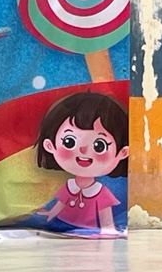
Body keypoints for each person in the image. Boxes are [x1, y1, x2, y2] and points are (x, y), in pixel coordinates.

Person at [34, 91, 130, 234]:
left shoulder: (101, 193)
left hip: (89, 232)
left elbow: (106, 219)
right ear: (49, 145)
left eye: (99, 145)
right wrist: (50, 214)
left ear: (123, 153)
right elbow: (61, 204)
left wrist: (108, 230)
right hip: (59, 226)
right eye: (69, 142)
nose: (83, 150)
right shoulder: (69, 186)